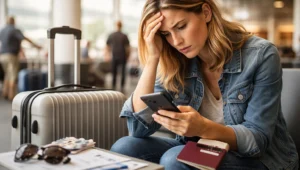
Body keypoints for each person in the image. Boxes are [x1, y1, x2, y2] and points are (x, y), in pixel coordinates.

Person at [110, 0, 299, 170]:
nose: (176, 41)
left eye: (181, 26)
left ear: (206, 12)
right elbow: (137, 128)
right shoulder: (176, 60)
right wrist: (152, 59)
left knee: (175, 159)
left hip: (260, 159)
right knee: (124, 147)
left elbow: (258, 141)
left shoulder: (261, 55)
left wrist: (203, 128)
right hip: (201, 149)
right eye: (166, 34)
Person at [0, 16, 41, 100]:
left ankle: (5, 93)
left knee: (7, 75)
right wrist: (36, 45)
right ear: (13, 22)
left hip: (2, 56)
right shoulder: (14, 30)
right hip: (11, 56)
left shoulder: (2, 30)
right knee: (13, 76)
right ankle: (12, 97)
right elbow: (24, 38)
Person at [106, 20, 130, 91]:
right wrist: (128, 56)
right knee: (123, 72)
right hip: (122, 56)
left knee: (114, 72)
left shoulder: (111, 35)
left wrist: (108, 54)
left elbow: (107, 46)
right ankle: (122, 87)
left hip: (114, 55)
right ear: (121, 26)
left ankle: (113, 86)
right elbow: (127, 48)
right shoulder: (124, 35)